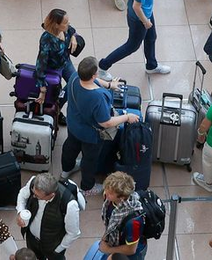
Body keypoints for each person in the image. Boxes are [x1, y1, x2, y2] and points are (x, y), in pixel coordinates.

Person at [61, 56, 136, 195]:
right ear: (94, 74)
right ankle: (87, 187)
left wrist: (109, 84)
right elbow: (105, 122)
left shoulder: (74, 77)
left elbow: (94, 81)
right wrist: (126, 117)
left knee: (70, 146)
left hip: (73, 123)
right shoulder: (97, 97)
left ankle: (66, 170)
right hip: (90, 135)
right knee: (89, 159)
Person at [16, 171, 84, 260]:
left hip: (53, 246)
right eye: (33, 193)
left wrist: (58, 249)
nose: (34, 196)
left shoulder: (69, 204)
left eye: (38, 196)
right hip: (32, 240)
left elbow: (73, 233)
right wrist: (20, 212)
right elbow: (22, 195)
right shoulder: (33, 183)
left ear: (51, 195)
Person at [95, 171, 146, 259]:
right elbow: (111, 223)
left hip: (132, 254)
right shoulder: (109, 201)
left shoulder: (134, 221)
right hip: (117, 242)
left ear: (122, 197)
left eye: (110, 193)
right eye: (106, 189)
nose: (105, 193)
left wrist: (108, 250)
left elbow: (131, 249)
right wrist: (105, 237)